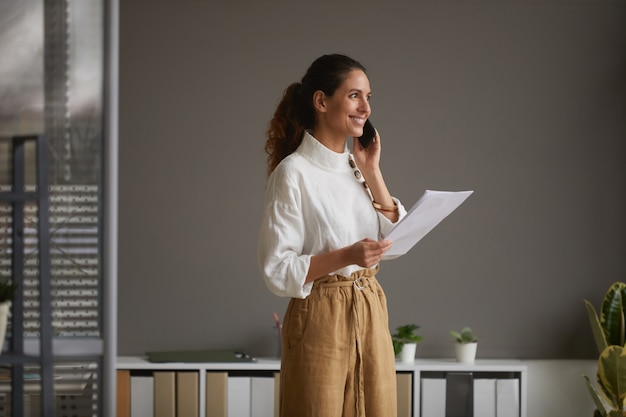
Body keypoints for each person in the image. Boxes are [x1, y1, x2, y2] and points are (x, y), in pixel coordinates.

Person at [257, 54, 407, 417]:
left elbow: (394, 246)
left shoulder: (358, 167)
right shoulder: (293, 173)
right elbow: (277, 269)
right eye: (355, 95)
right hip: (320, 318)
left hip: (370, 310)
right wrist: (347, 256)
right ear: (321, 101)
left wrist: (373, 172)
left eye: (369, 97)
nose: (365, 107)